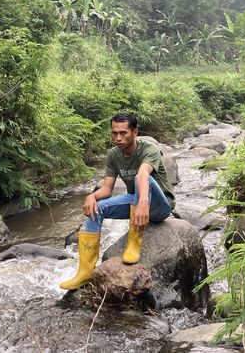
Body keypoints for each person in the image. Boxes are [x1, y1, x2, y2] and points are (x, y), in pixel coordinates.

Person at [59, 112, 175, 290]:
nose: (118, 138)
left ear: (135, 132)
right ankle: (85, 272)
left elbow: (144, 174)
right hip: (136, 201)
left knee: (140, 178)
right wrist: (91, 196)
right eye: (114, 133)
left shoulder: (149, 149)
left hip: (159, 205)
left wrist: (143, 202)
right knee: (96, 208)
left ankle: (134, 244)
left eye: (123, 133)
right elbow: (106, 189)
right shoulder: (113, 155)